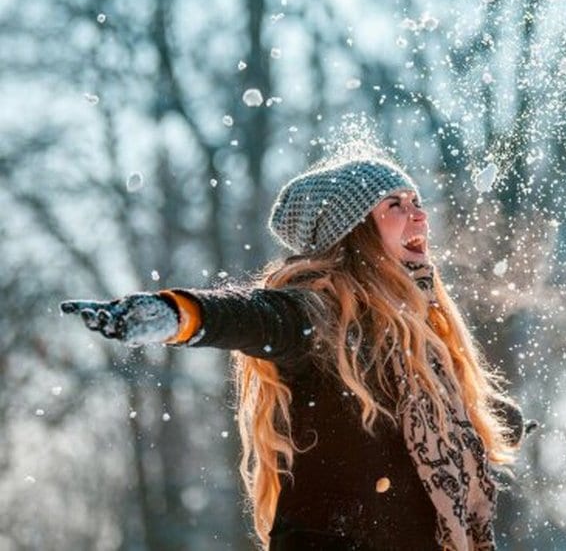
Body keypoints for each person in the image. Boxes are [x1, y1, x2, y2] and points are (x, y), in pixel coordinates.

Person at [61, 155, 531, 550]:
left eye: (417, 202)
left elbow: (430, 422)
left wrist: (492, 421)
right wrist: (176, 315)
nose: (419, 215)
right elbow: (253, 316)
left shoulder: (419, 335)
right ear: (354, 229)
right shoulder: (321, 313)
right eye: (395, 204)